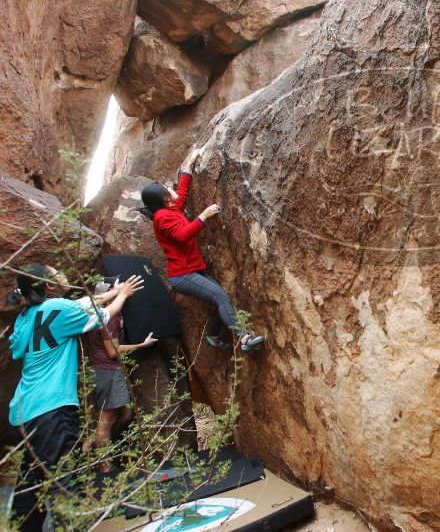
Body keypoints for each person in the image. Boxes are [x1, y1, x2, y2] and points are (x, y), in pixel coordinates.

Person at [5, 264, 143, 531]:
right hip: (51, 410)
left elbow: (83, 304)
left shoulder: (26, 315)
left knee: (31, 486)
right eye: (59, 273)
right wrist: (123, 294)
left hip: (21, 413)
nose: (64, 275)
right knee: (66, 485)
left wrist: (109, 292)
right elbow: (103, 316)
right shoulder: (59, 309)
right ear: (49, 285)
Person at [139, 149, 265, 352]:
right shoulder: (162, 217)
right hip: (183, 274)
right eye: (165, 190)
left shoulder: (169, 210)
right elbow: (182, 236)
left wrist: (188, 168)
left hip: (192, 270)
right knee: (221, 297)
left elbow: (181, 196)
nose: (170, 190)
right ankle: (244, 339)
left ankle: (214, 335)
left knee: (217, 301)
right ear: (162, 199)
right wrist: (203, 217)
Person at [82, 282, 157, 473]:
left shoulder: (100, 312)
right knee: (106, 419)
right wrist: (142, 345)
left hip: (105, 371)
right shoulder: (110, 317)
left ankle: (95, 444)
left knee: (124, 414)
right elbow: (112, 351)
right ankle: (104, 467)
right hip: (107, 371)